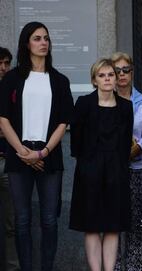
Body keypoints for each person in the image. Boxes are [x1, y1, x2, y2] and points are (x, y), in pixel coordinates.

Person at [0, 21, 74, 270]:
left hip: (48, 155)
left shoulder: (60, 80)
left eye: (46, 38)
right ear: (26, 43)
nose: (43, 43)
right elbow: (3, 119)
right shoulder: (11, 78)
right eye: (37, 38)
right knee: (21, 220)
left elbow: (64, 121)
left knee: (49, 220)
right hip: (18, 155)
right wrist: (23, 152)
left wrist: (42, 152)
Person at [69, 58, 133, 271]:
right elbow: (76, 140)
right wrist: (87, 165)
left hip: (117, 171)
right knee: (92, 226)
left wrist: (121, 168)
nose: (107, 79)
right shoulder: (84, 104)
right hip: (90, 171)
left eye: (111, 75)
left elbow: (126, 142)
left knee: (113, 227)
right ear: (94, 80)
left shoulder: (126, 106)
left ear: (116, 79)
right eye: (102, 75)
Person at [111, 52, 142, 271]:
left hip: (137, 169)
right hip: (112, 171)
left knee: (135, 225)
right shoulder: (104, 100)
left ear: (133, 72)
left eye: (126, 69)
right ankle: (116, 267)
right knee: (113, 224)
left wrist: (133, 150)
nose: (122, 74)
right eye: (117, 70)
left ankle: (135, 268)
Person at [0, 46, 20, 271]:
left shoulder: (14, 89)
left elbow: (18, 127)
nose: (3, 68)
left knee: (12, 224)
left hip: (10, 161)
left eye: (7, 63)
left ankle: (12, 268)